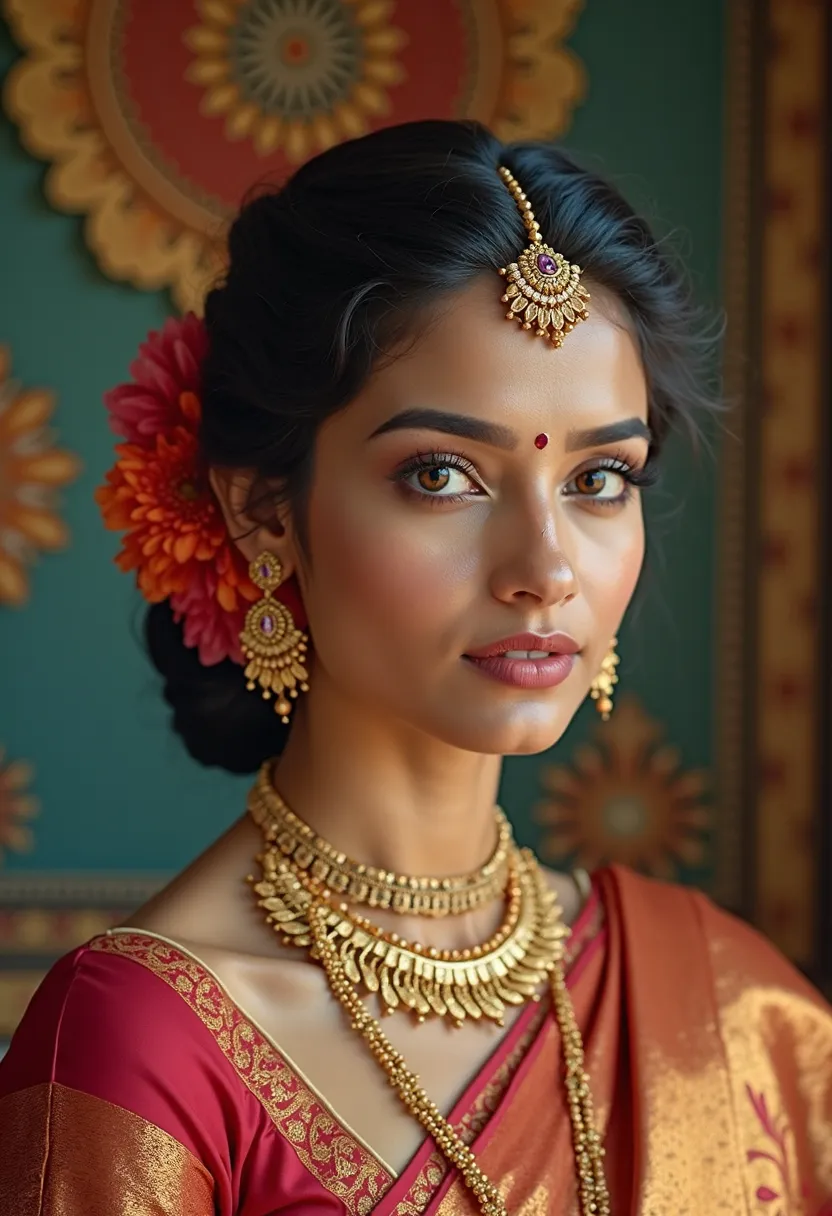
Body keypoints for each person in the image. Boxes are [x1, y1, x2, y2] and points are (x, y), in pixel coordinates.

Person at [0, 119, 829, 1216]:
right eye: (441, 473)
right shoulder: (140, 1045)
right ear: (262, 511)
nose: (544, 568)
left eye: (600, 478)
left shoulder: (734, 1013)